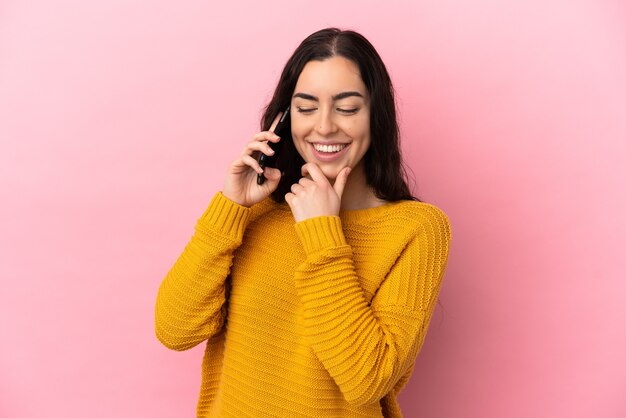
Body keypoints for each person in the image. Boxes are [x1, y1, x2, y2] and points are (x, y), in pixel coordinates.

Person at [155, 27, 451, 418]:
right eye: (306, 107)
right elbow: (175, 331)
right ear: (283, 118)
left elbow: (367, 379)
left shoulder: (418, 229)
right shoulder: (257, 214)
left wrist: (322, 233)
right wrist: (230, 207)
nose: (325, 126)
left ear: (375, 115)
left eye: (347, 108)